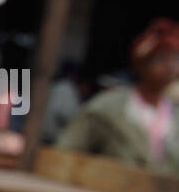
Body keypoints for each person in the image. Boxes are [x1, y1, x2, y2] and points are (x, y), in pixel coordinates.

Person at [56, 19, 179, 174]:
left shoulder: (175, 117)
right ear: (142, 63)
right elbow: (64, 153)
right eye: (162, 59)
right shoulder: (108, 107)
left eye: (175, 60)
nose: (170, 67)